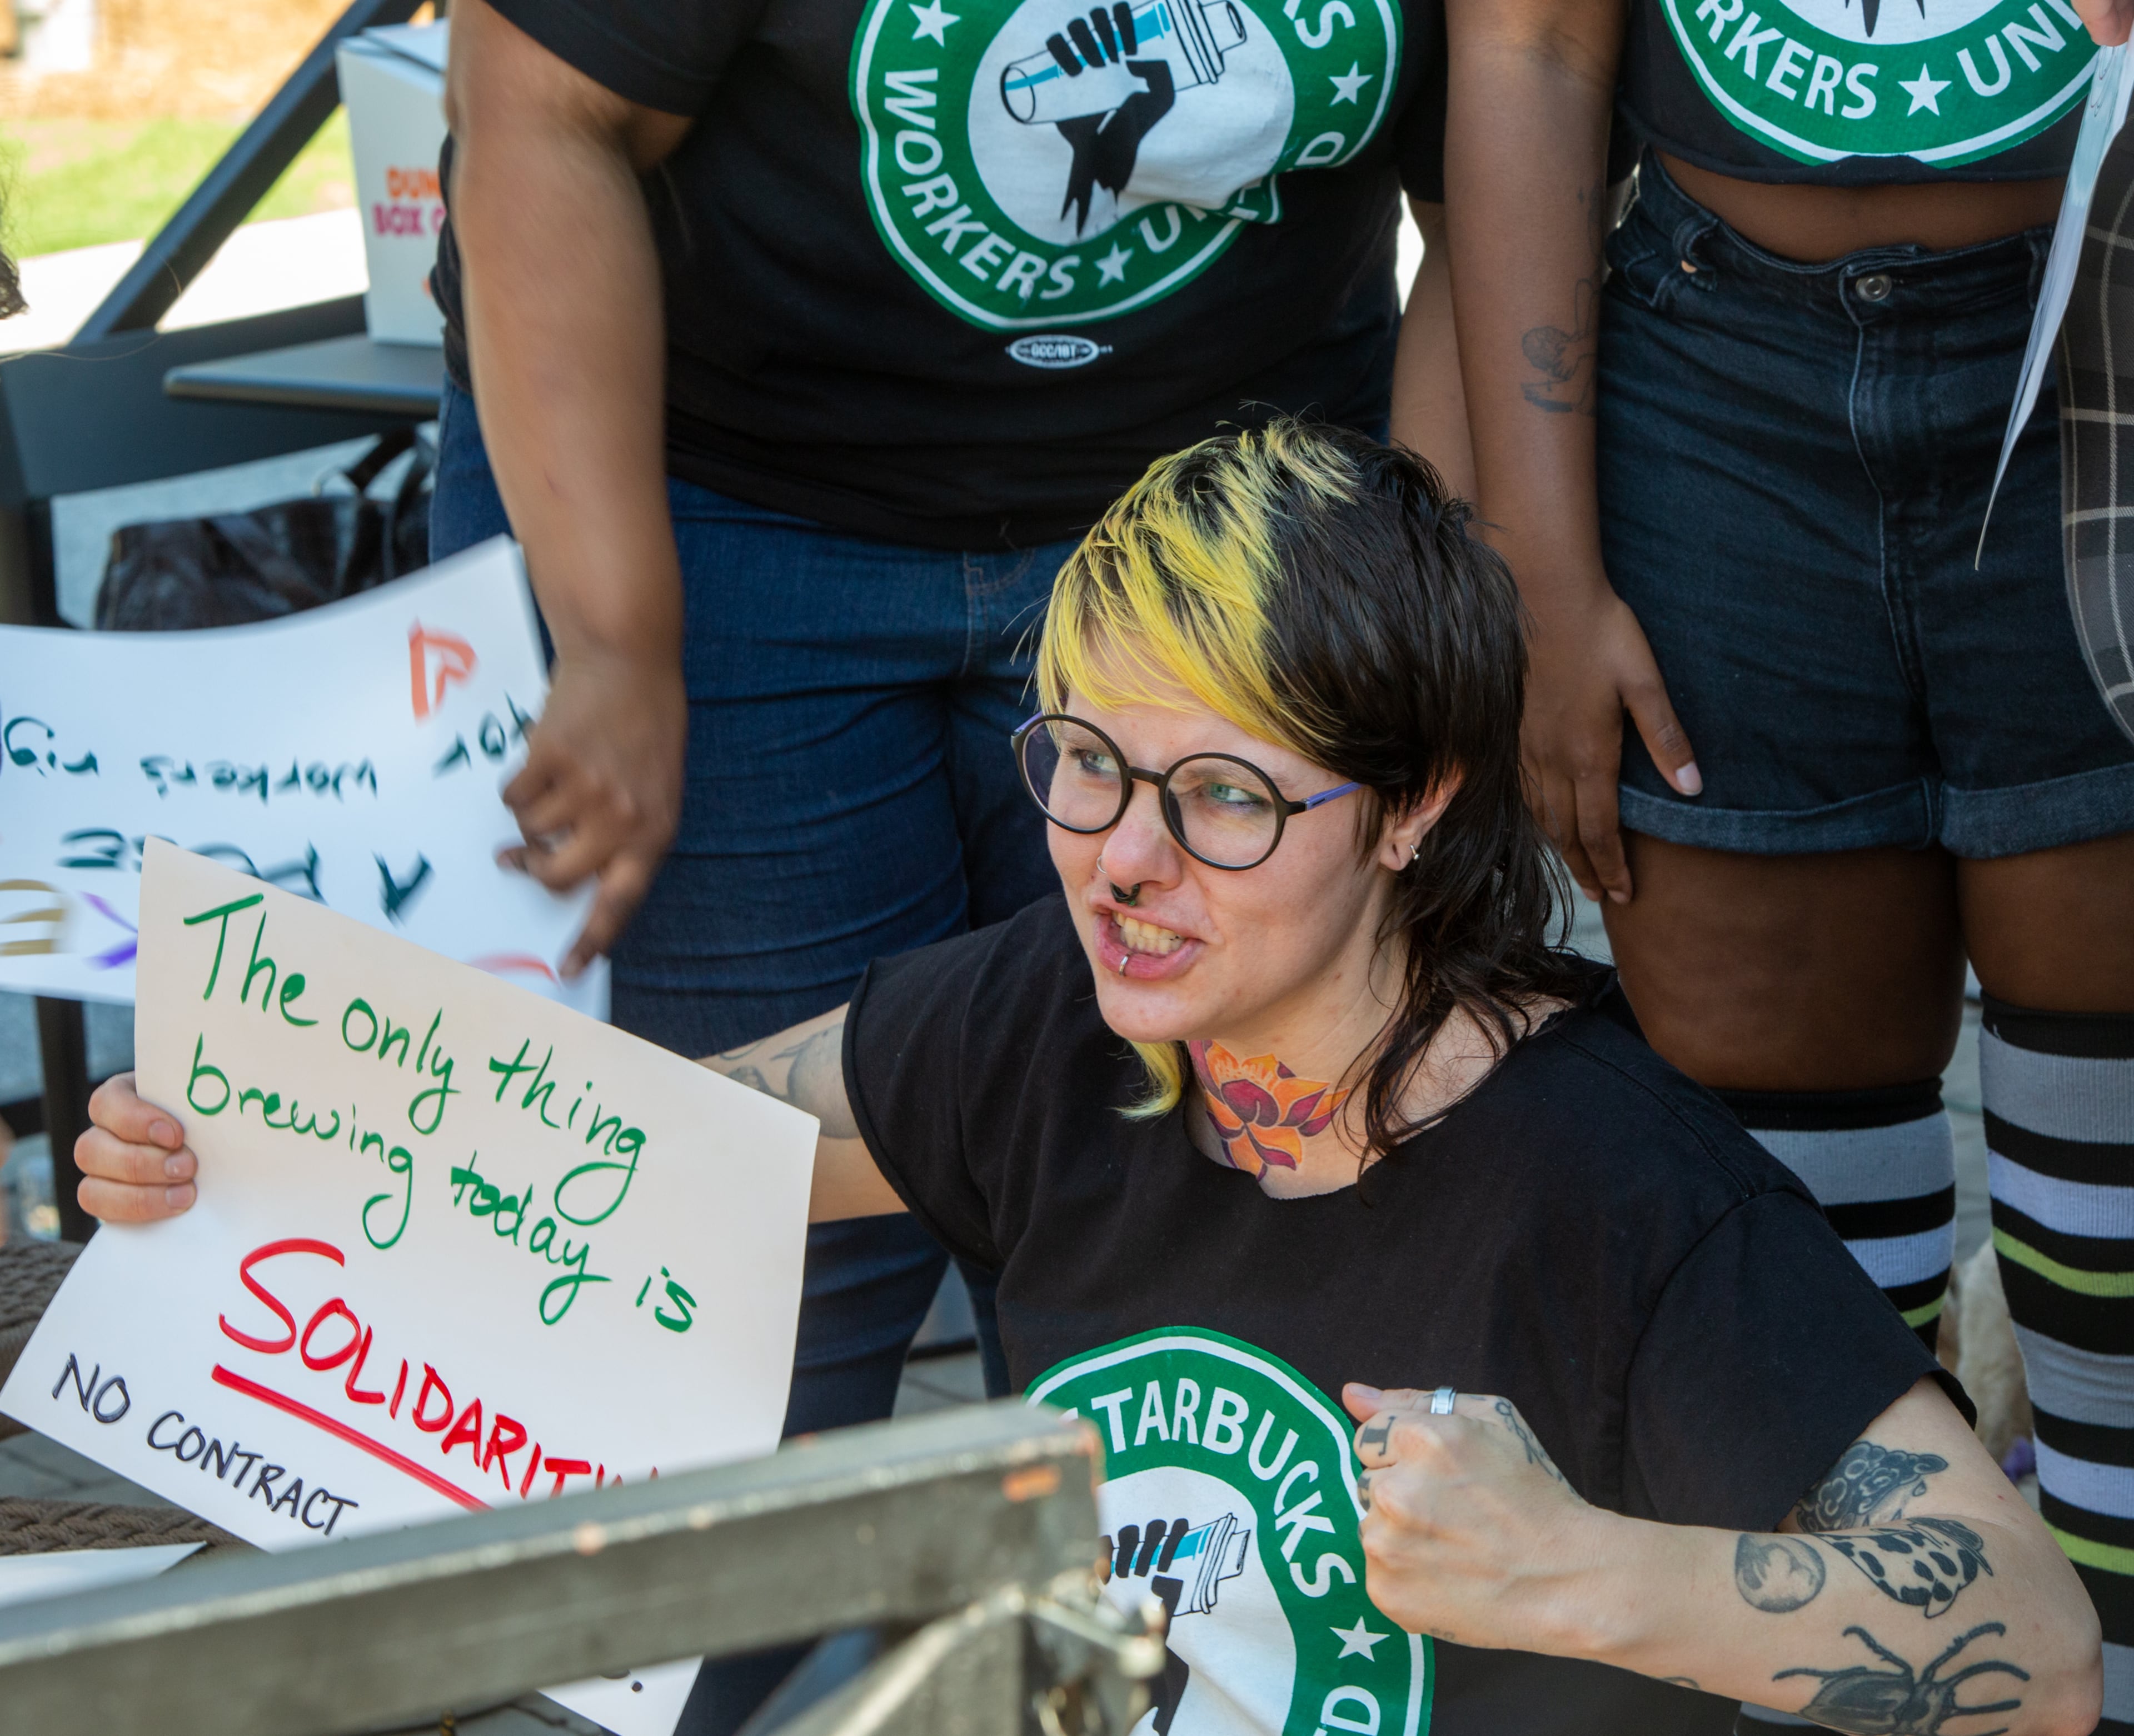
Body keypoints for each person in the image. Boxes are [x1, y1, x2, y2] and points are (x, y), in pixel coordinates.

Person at [77, 424, 2103, 1736]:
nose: (1123, 860)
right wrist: (253, 1151)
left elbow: (2028, 1640)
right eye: (1082, 764)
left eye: (1224, 796)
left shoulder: (1616, 1187)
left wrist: (1590, 1569)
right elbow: (632, 1158)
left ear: (1413, 809)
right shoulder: (1054, 1023)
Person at [430, 12, 1467, 1663]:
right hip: (722, 501)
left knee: (1179, 1218)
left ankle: (1107, 1681)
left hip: (1211, 517)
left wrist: (1418, 621)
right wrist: (618, 632)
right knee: (751, 1261)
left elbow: (1495, 174)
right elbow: (537, 109)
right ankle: (697, 1687)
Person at [1442, 3, 2134, 1723]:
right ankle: (1878, 1689)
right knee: (1790, 1213)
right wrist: (1541, 569)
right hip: (1714, 376)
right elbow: (1528, 47)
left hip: (2100, 328)